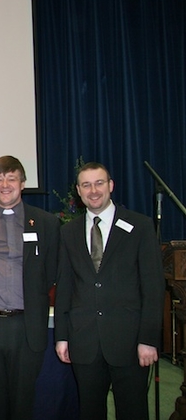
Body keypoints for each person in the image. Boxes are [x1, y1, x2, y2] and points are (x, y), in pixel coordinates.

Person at [54, 162, 164, 420]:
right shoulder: (68, 232)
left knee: (133, 411)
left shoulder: (140, 226)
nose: (93, 191)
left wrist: (148, 339)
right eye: (86, 185)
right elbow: (65, 286)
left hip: (130, 342)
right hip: (84, 342)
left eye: (99, 183)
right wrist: (62, 336)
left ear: (111, 186)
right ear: (78, 193)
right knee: (90, 411)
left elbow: (153, 286)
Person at [0, 155, 59, 420]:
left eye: (11, 178)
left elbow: (50, 271)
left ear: (23, 183)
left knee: (22, 402)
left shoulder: (46, 223)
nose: (5, 184)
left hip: (26, 326)